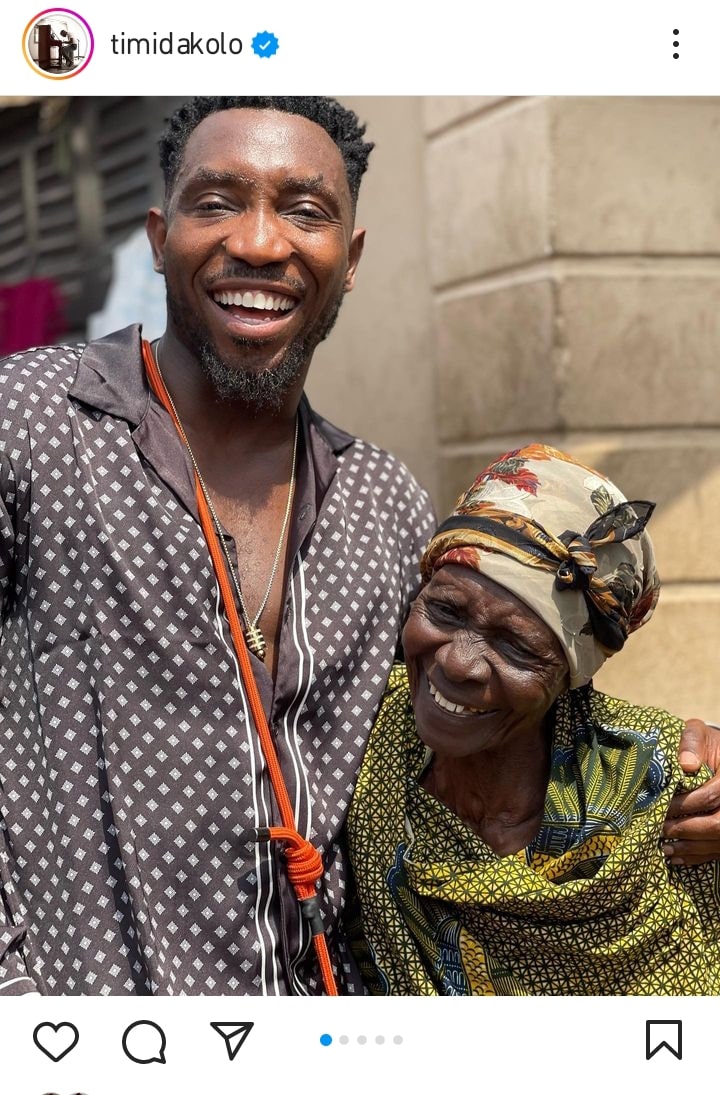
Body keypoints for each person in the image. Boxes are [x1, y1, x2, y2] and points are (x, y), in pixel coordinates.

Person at [0, 98, 717, 997]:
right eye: (218, 201)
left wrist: (678, 769)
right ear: (157, 234)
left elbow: (478, 720)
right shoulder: (31, 425)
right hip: (87, 1060)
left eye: (305, 211)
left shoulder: (382, 500)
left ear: (352, 259)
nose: (261, 244)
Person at [347, 444, 720, 994]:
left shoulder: (667, 793)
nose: (456, 661)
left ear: (572, 673)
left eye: (516, 646)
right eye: (445, 610)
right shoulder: (355, 730)